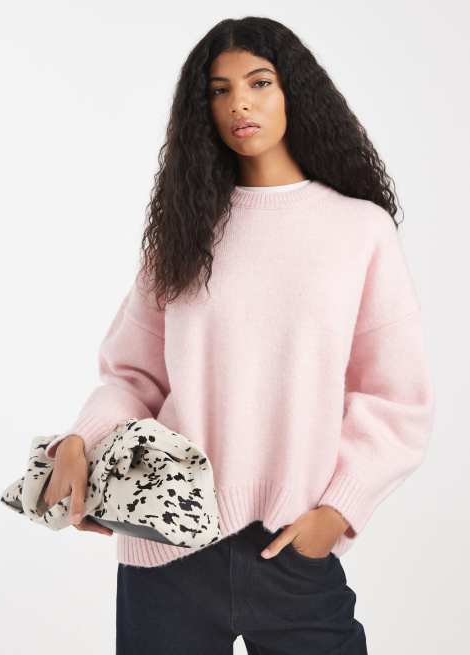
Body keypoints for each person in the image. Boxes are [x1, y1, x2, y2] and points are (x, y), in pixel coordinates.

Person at [43, 16, 435, 655]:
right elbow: (133, 377)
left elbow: (396, 397)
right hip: (165, 547)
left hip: (292, 546)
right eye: (219, 91)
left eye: (259, 82)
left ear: (293, 91)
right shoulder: (184, 234)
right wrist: (80, 440)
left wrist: (337, 511)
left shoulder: (359, 230)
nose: (239, 104)